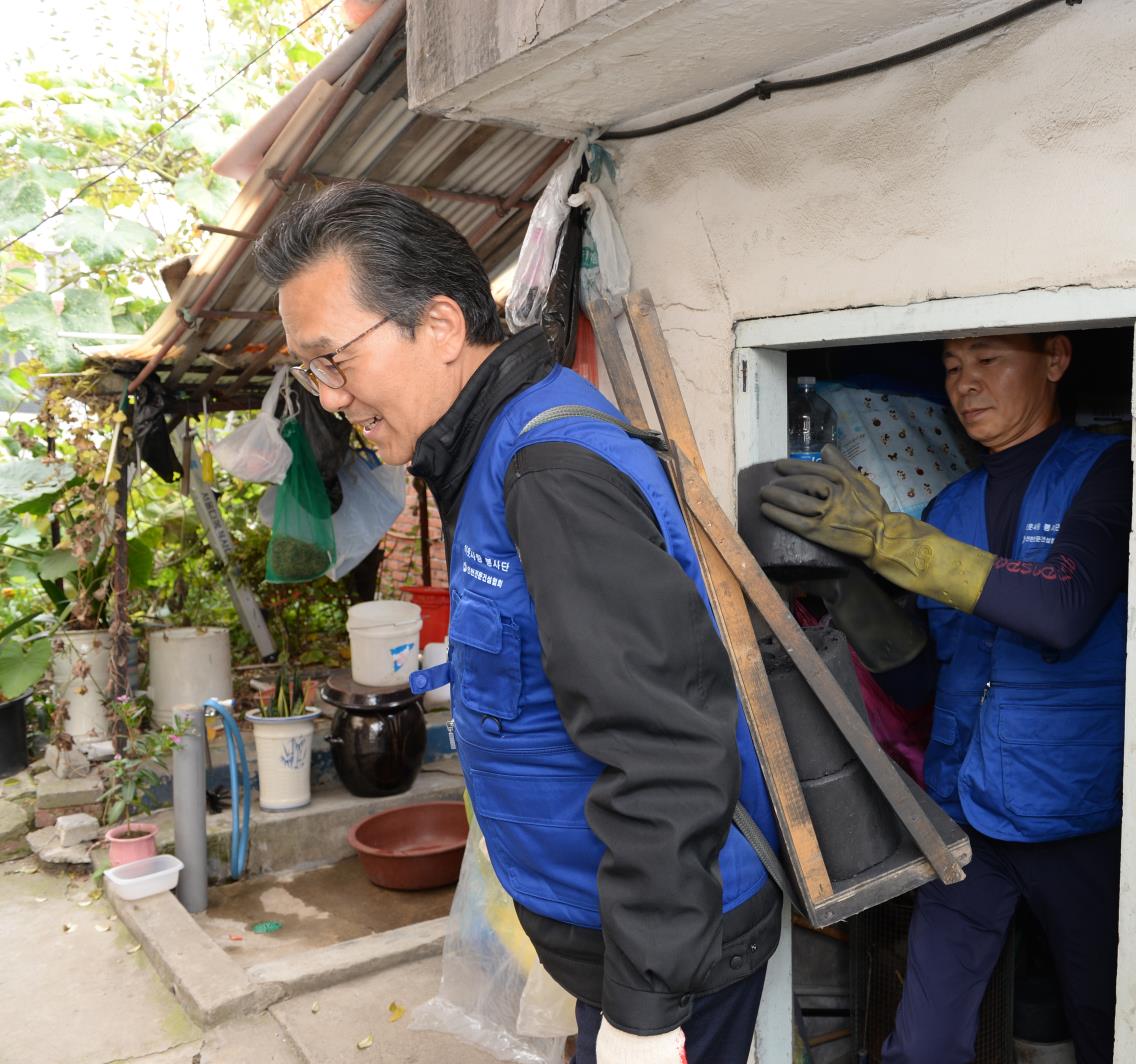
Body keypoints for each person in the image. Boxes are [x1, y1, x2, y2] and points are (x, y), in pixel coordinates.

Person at [256, 182, 782, 1064]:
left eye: (334, 360)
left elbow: (663, 745)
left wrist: (646, 1013)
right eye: (313, 373)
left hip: (668, 955)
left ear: (440, 326)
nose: (332, 398)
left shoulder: (550, 471)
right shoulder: (487, 452)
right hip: (614, 939)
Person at [760, 332, 1130, 1064]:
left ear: (1055, 360)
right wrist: (844, 589)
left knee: (1106, 1025)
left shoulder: (1109, 470)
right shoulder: (949, 506)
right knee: (924, 1042)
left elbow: (1063, 608)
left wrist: (888, 541)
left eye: (989, 361)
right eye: (953, 367)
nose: (966, 384)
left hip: (1078, 812)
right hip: (965, 811)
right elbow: (927, 681)